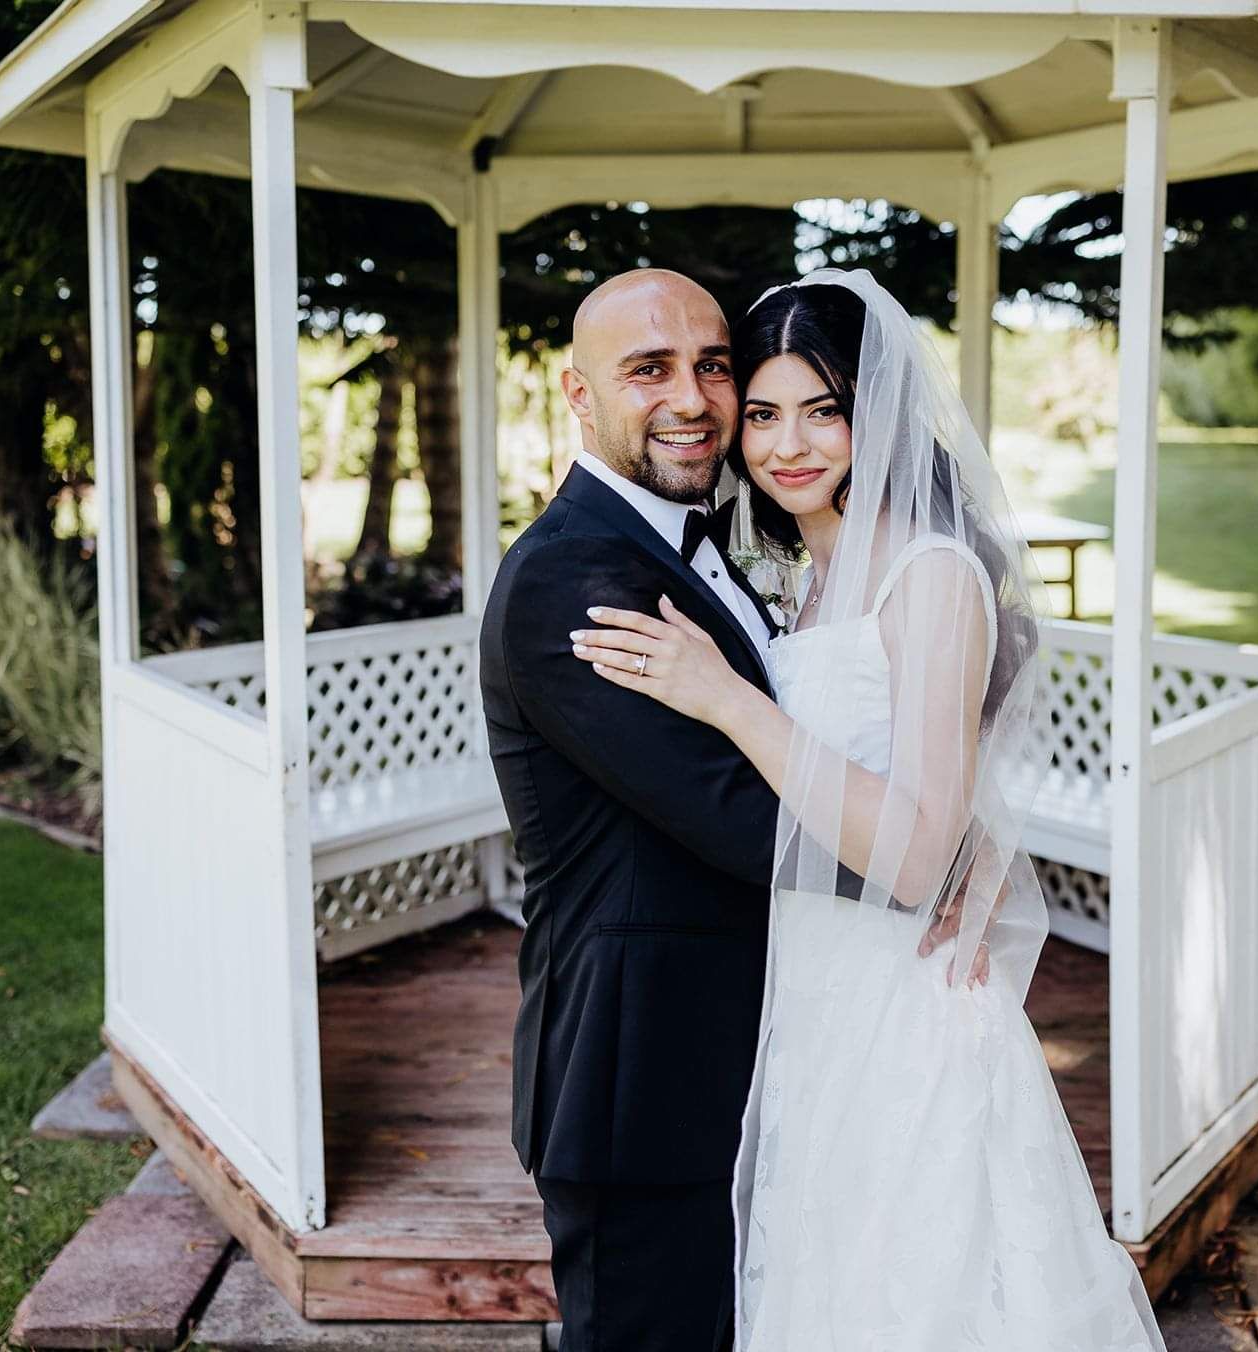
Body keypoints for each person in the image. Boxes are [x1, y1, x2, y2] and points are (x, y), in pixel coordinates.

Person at [567, 269, 1168, 1350]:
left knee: (915, 1291)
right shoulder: (807, 573)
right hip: (814, 992)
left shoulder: (929, 573)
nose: (788, 444)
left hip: (904, 998)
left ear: (875, 414)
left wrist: (730, 700)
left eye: (823, 410)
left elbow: (916, 852)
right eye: (761, 413)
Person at [479, 269, 784, 1351]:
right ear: (577, 392)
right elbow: (740, 816)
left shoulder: (703, 535)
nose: (693, 397)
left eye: (712, 363)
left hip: (727, 1058)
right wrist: (921, 845)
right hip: (642, 1074)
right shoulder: (572, 579)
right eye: (648, 368)